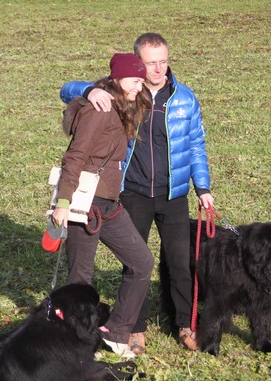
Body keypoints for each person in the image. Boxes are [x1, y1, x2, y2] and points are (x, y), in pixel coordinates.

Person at [59, 33, 215, 353]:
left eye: (163, 62)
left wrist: (202, 186)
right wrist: (90, 90)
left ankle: (185, 324)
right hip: (131, 192)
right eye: (150, 64)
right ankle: (134, 329)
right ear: (137, 65)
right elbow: (67, 91)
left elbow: (196, 145)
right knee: (128, 261)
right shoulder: (122, 95)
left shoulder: (182, 98)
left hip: (172, 193)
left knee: (177, 262)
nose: (157, 69)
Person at [52, 53, 154, 358]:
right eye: (134, 80)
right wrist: (63, 202)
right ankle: (73, 341)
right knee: (80, 277)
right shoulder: (100, 110)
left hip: (109, 204)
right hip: (85, 203)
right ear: (117, 79)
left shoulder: (121, 107)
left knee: (142, 262)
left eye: (141, 81)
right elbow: (75, 156)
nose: (139, 87)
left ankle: (116, 332)